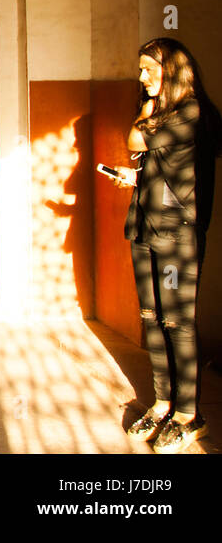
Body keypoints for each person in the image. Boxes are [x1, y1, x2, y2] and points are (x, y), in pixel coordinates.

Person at [111, 38, 221, 453]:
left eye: (147, 69)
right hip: (144, 225)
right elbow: (164, 167)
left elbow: (137, 141)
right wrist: (136, 179)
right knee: (152, 318)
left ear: (171, 70)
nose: (141, 77)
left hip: (178, 231)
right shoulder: (165, 114)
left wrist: (145, 112)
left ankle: (190, 416)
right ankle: (161, 404)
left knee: (178, 322)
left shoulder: (190, 111)